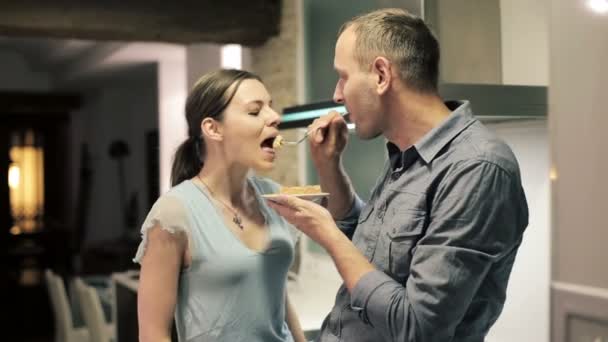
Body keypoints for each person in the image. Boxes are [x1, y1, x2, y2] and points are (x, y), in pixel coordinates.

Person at [267, 8, 529, 342]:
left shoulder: (477, 168)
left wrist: (327, 234)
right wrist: (328, 168)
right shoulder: (406, 156)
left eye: (343, 77)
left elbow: (417, 327)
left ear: (380, 75)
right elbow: (368, 251)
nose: (336, 95)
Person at [134, 69, 306, 342]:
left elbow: (277, 296)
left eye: (271, 108)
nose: (275, 118)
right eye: (254, 111)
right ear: (213, 128)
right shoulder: (174, 213)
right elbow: (153, 333)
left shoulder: (275, 198)